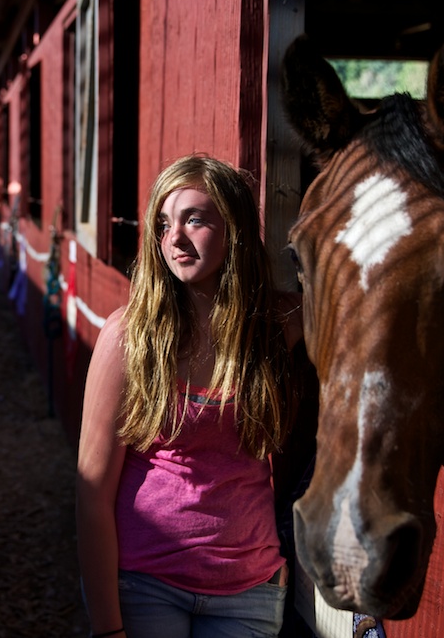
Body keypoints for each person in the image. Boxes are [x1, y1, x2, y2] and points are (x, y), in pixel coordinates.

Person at [76, 155, 303, 638]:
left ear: (235, 228)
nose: (174, 238)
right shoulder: (131, 337)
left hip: (250, 588)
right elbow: (92, 491)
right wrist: (106, 628)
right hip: (146, 583)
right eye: (163, 224)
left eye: (194, 219)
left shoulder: (275, 328)